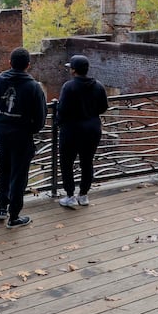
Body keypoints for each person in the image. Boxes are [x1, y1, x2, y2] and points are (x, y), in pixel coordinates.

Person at [0, 47, 47, 227]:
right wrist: (30, 129)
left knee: (4, 169)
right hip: (22, 135)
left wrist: (1, 122)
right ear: (28, 65)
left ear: (9, 63)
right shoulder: (34, 87)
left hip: (2, 134)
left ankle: (3, 207)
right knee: (19, 175)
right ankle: (14, 217)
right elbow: (40, 118)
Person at [56, 54, 109, 209]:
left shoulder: (69, 87)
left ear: (73, 70)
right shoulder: (98, 85)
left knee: (67, 163)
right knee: (87, 162)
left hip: (71, 131)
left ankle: (70, 195)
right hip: (92, 129)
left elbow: (62, 110)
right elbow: (104, 107)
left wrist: (60, 123)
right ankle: (84, 195)